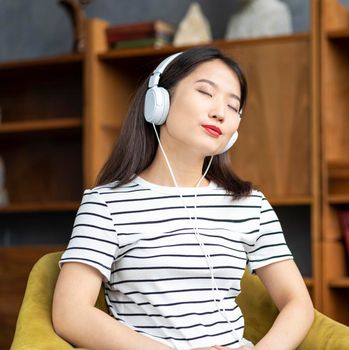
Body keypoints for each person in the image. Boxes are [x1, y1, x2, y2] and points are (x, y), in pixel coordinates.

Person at [52, 47, 314, 350]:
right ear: (159, 101)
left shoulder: (250, 204)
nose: (220, 112)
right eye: (206, 92)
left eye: (233, 106)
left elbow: (298, 303)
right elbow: (70, 313)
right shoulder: (106, 204)